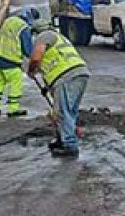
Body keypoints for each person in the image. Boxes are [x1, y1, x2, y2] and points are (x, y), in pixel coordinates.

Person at [27, 22, 90, 158]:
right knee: (66, 110)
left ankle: (69, 145)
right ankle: (62, 139)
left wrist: (31, 70)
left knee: (63, 112)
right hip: (79, 73)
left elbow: (36, 58)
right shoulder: (59, 38)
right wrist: (47, 89)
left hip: (66, 76)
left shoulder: (43, 36)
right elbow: (52, 66)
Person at [0, 7, 40, 118]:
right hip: (10, 61)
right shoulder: (23, 28)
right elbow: (28, 50)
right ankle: (13, 109)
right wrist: (36, 58)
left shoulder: (9, 20)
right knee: (16, 83)